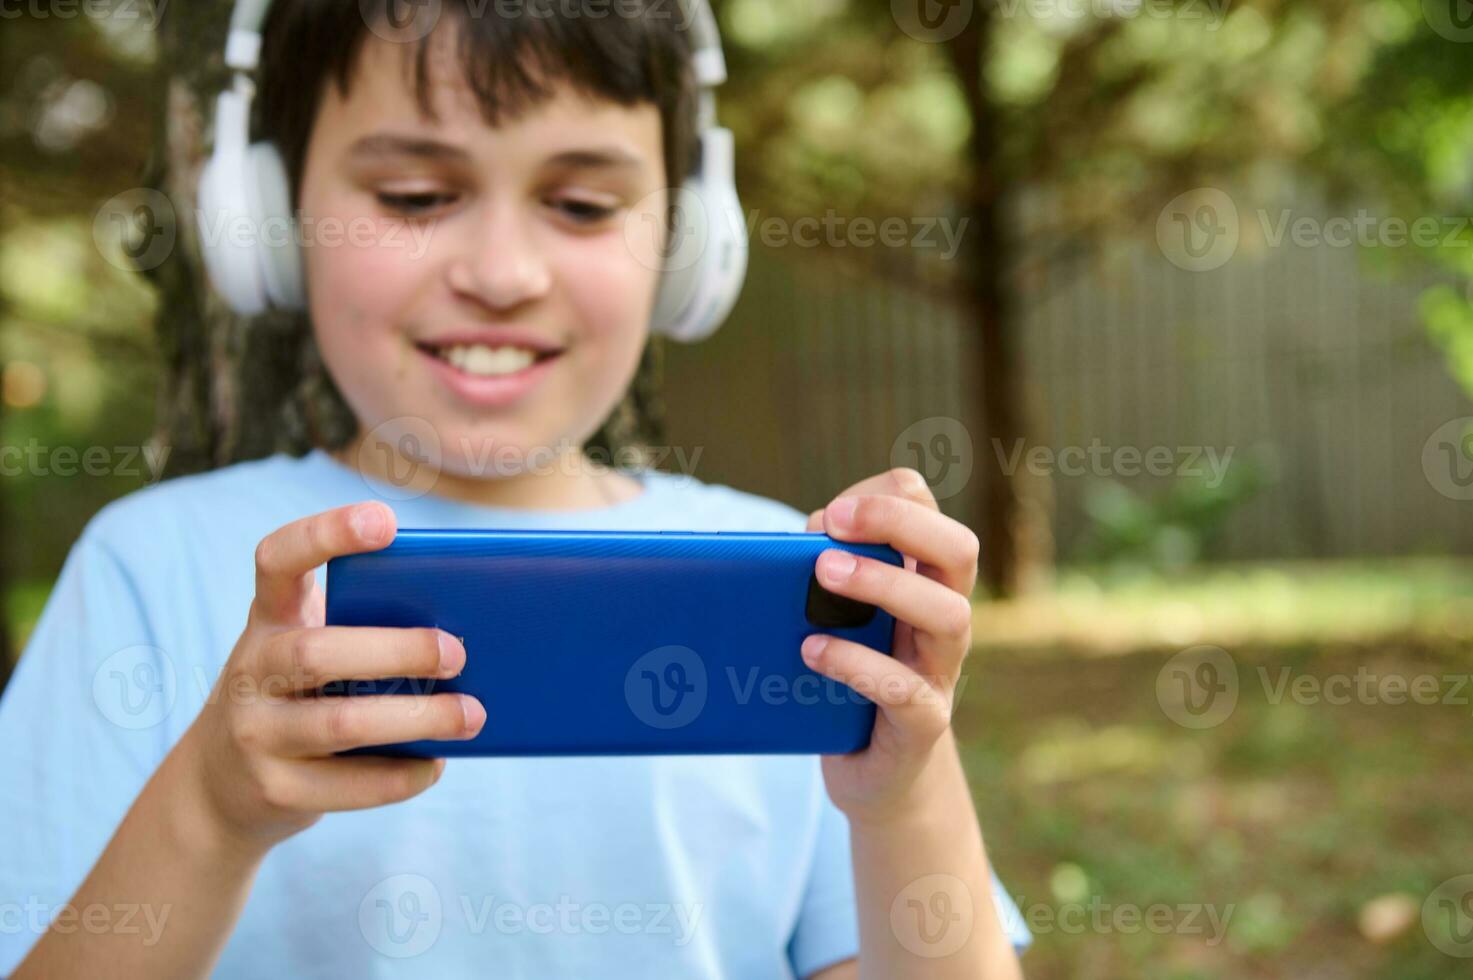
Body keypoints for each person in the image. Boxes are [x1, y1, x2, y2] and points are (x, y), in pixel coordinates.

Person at [0, 2, 1029, 976]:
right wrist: (214, 808)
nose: (501, 272)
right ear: (262, 218)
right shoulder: (150, 565)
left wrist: (902, 795)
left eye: (582, 205)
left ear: (687, 241)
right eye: (413, 196)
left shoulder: (795, 588)